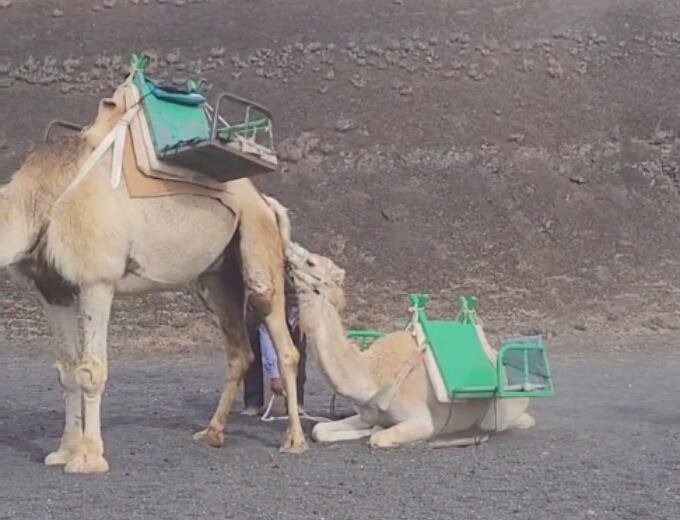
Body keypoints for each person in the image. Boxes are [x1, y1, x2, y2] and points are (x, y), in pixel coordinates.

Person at [242, 278, 306, 416]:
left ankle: (295, 402)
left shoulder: (300, 305)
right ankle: (253, 402)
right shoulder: (269, 309)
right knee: (253, 349)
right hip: (263, 298)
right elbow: (267, 337)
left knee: (299, 350)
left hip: (291, 300)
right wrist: (275, 377)